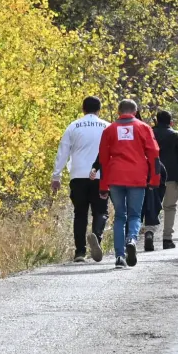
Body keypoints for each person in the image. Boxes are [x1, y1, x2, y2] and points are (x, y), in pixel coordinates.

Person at [97, 99, 160, 269]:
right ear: (135, 110)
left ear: (118, 112)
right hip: (137, 177)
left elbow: (103, 158)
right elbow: (154, 153)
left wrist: (103, 185)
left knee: (119, 216)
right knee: (134, 215)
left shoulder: (109, 129)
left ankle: (119, 256)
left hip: (115, 176)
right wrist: (155, 179)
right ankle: (131, 239)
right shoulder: (143, 128)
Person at [50, 96, 109, 263]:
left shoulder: (73, 126)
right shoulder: (107, 127)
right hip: (100, 176)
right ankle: (96, 237)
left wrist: (56, 176)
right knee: (101, 211)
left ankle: (80, 252)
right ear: (99, 109)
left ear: (83, 109)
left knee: (80, 213)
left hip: (78, 176)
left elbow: (63, 152)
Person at [145, 110, 178, 250]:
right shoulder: (176, 135)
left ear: (156, 121)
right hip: (171, 174)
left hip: (151, 174)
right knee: (169, 207)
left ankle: (149, 232)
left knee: (151, 206)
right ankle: (167, 239)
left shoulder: (149, 133)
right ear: (171, 122)